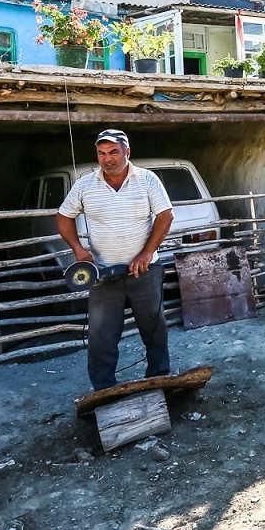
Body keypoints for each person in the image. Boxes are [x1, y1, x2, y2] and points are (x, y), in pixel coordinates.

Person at [57, 129, 174, 391]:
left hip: (144, 271)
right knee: (101, 337)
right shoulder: (85, 185)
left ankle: (158, 382)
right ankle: (104, 390)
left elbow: (166, 215)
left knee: (155, 330)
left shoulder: (147, 180)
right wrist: (78, 249)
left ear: (127, 152)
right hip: (103, 274)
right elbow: (64, 217)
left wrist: (147, 252)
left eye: (113, 152)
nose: (107, 159)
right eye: (101, 153)